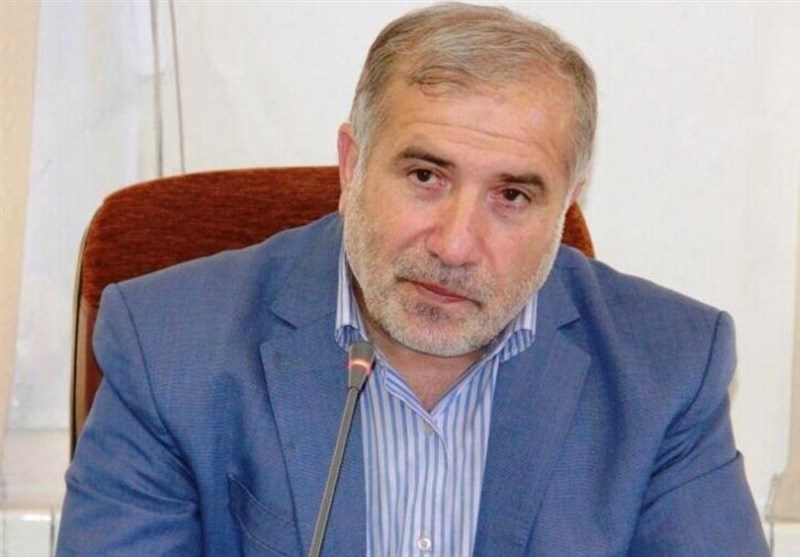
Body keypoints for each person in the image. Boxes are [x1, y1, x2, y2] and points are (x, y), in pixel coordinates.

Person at [57, 3, 769, 556]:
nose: (456, 245)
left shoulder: (666, 369)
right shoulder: (167, 347)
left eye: (512, 195)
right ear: (351, 165)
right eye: (426, 176)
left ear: (566, 205)